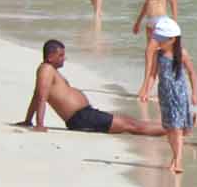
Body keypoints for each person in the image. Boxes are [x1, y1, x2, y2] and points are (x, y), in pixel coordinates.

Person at [17, 40, 162, 135]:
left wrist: (28, 120)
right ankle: (175, 130)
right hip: (82, 118)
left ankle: (173, 129)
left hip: (85, 115)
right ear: (50, 57)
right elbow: (41, 97)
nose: (64, 58)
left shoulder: (49, 71)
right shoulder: (46, 70)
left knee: (129, 122)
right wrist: (39, 125)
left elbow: (36, 96)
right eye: (60, 55)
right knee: (131, 125)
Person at [148, 16, 197, 175]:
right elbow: (152, 75)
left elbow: (192, 73)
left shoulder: (182, 54)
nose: (158, 42)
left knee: (176, 129)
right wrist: (146, 92)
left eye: (161, 40)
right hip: (164, 95)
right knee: (169, 129)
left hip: (179, 95)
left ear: (172, 39)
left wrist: (195, 93)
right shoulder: (158, 55)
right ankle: (189, 123)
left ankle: (177, 160)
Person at [130, 0, 181, 100]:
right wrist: (138, 21)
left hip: (162, 24)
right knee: (152, 57)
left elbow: (173, 2)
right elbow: (147, 4)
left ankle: (145, 87)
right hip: (150, 24)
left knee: (151, 54)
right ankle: (148, 90)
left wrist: (175, 24)